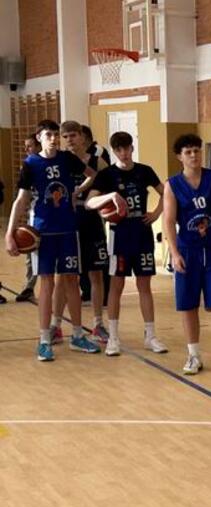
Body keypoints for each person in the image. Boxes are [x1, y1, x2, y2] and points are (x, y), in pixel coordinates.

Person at [4, 120, 113, 361]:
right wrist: (9, 233)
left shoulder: (67, 158)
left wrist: (76, 192)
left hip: (68, 229)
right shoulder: (31, 163)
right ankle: (45, 339)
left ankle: (77, 335)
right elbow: (21, 200)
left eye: (56, 134)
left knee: (71, 281)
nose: (53, 139)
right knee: (47, 284)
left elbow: (93, 175)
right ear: (39, 138)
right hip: (43, 232)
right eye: (48, 135)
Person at [162, 133, 211, 377]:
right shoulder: (172, 185)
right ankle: (194, 355)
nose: (194, 155)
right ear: (179, 156)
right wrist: (174, 253)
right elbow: (168, 221)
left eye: (196, 150)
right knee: (188, 306)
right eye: (188, 152)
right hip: (187, 251)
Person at [88, 131, 168, 356]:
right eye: (119, 149)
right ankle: (113, 337)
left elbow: (166, 193)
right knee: (117, 285)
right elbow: (90, 202)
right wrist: (110, 196)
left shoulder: (145, 170)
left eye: (127, 148)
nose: (124, 153)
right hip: (119, 235)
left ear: (132, 148)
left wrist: (156, 213)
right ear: (114, 151)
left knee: (145, 285)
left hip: (142, 232)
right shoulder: (107, 175)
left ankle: (150, 336)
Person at [49, 121, 110, 344]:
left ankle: (98, 324)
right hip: (66, 222)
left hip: (91, 220)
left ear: (82, 136)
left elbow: (108, 185)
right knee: (63, 276)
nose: (69, 140)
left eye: (73, 135)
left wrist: (105, 204)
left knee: (96, 274)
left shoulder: (97, 161)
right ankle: (55, 325)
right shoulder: (59, 161)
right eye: (65, 137)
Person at [15, 134, 40, 303]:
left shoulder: (55, 164)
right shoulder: (28, 166)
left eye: (29, 146)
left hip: (55, 218)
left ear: (39, 146)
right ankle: (29, 287)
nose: (26, 149)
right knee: (30, 253)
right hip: (34, 215)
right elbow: (23, 195)